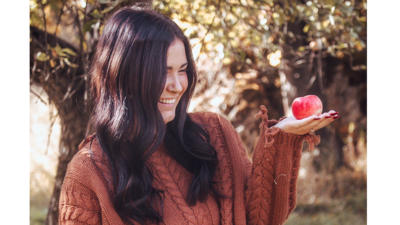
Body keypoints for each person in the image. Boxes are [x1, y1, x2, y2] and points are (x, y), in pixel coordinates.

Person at [58, 7, 339, 225]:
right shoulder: (88, 174)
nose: (177, 85)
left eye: (182, 70)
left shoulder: (211, 133)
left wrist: (284, 138)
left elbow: (260, 217)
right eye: (162, 71)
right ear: (127, 75)